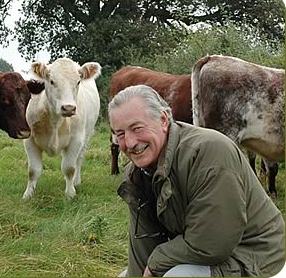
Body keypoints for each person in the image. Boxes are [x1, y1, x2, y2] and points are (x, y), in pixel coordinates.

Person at [108, 85, 285, 277]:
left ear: (163, 120)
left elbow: (212, 242)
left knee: (177, 276)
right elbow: (143, 243)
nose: (130, 142)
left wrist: (156, 263)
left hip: (257, 255)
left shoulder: (209, 152)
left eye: (137, 128)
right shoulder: (136, 174)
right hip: (205, 252)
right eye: (121, 134)